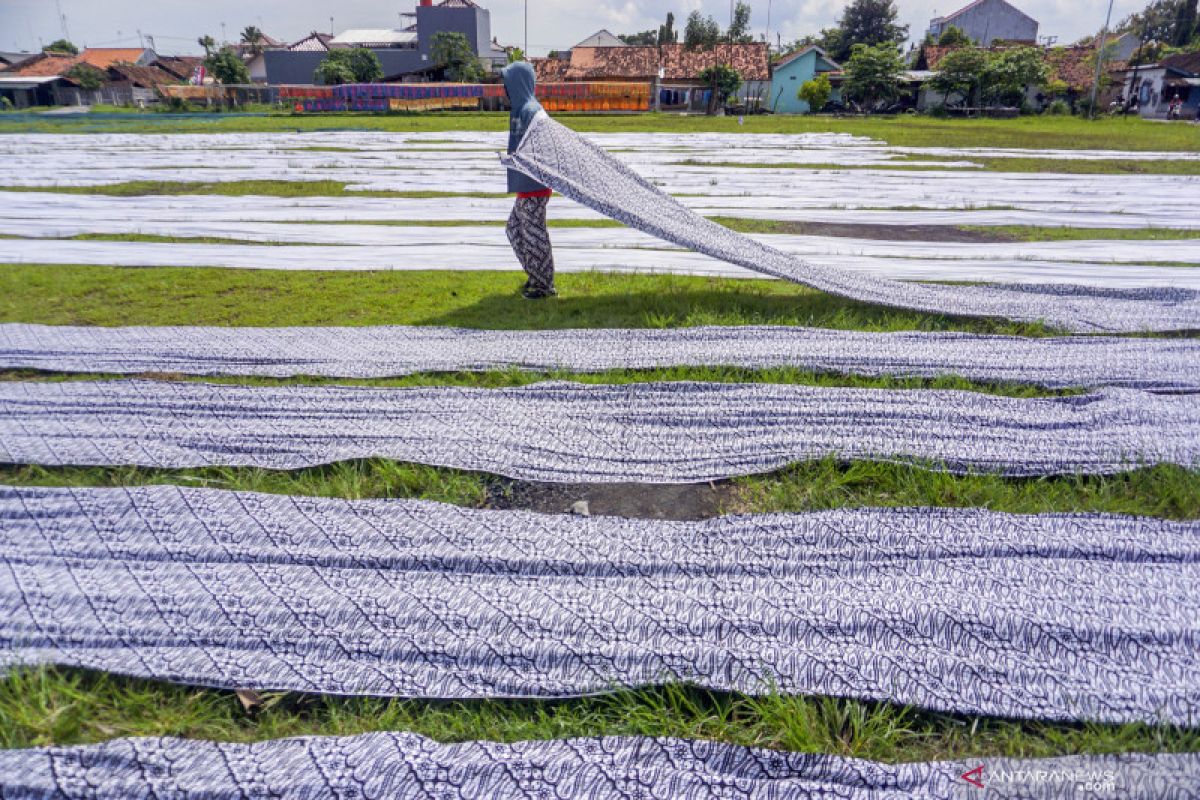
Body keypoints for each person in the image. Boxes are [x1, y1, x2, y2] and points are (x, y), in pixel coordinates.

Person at [501, 61, 556, 300]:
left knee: (534, 234)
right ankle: (536, 276)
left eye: (507, 83)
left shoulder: (531, 111)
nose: (504, 89)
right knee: (514, 229)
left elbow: (543, 147)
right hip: (526, 184)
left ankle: (544, 287)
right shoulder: (522, 109)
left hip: (534, 185)